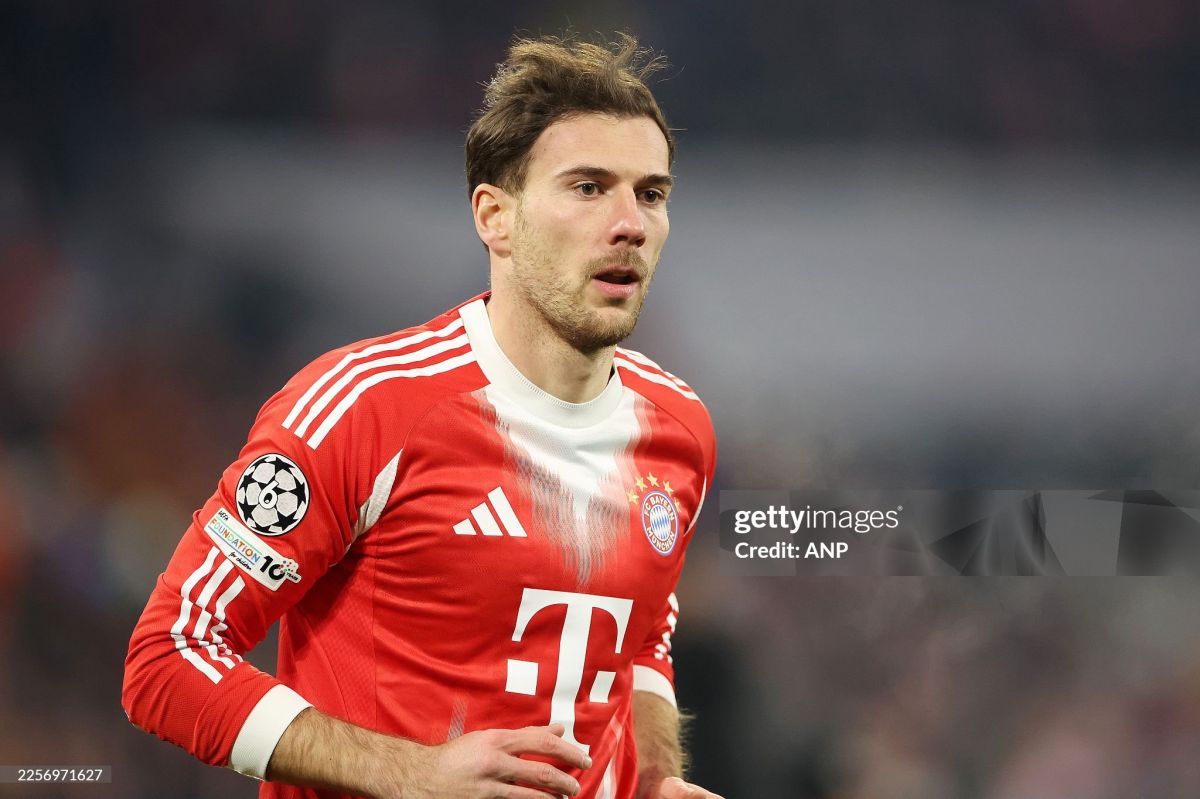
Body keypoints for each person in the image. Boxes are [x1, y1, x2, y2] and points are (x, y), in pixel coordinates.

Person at [123, 32, 720, 799]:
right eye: (587, 187)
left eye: (651, 193)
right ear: (495, 217)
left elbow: (640, 639)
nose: (630, 222)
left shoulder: (679, 428)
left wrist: (658, 776)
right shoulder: (364, 407)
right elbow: (168, 656)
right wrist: (411, 771)